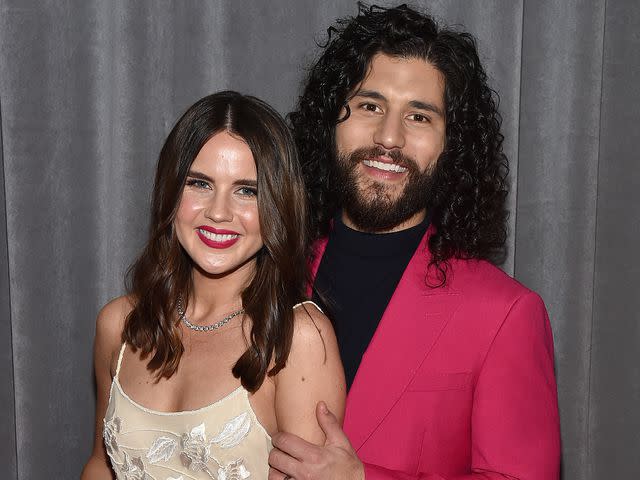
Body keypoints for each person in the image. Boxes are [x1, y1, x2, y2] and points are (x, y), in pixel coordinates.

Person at [268, 4, 560, 479]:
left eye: (419, 117)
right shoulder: (267, 273)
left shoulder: (505, 314)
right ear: (330, 121)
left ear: (453, 145)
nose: (389, 138)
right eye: (369, 105)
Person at [81, 91, 345, 479]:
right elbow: (100, 466)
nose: (219, 212)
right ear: (171, 192)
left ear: (279, 203)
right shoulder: (118, 324)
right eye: (199, 184)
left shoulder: (298, 338)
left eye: (247, 191)